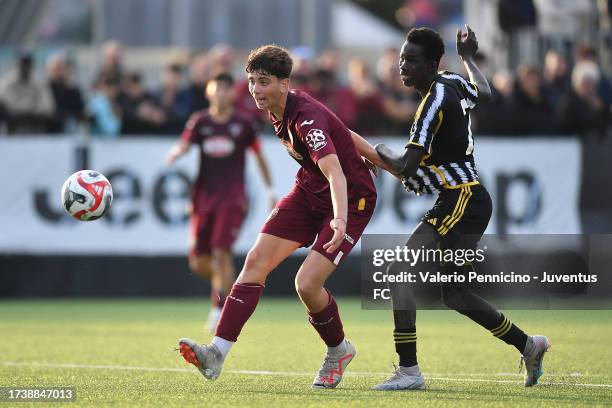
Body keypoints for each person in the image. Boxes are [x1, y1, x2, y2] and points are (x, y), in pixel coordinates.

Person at [357, 26, 550, 390]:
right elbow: (486, 92)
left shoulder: (433, 101)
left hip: (462, 199)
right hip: (468, 199)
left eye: (411, 60)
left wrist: (375, 149)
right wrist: (469, 58)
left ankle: (409, 372)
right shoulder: (451, 81)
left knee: (400, 271)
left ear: (432, 63)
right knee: (454, 293)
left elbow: (404, 167)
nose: (402, 66)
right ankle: (529, 345)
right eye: (401, 58)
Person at [177, 45, 379, 389]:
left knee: (307, 284)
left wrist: (341, 220)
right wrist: (377, 156)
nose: (256, 89)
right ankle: (216, 354)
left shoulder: (305, 117)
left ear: (285, 84)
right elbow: (342, 130)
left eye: (264, 82)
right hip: (308, 192)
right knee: (255, 261)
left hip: (350, 199)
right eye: (252, 81)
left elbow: (336, 175)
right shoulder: (278, 106)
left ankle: (338, 350)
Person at [166, 73, 275, 332]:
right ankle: (233, 292)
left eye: (227, 89)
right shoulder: (200, 121)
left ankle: (219, 309)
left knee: (221, 252)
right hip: (204, 197)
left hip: (233, 196)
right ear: (209, 92)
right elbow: (184, 144)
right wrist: (176, 152)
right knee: (198, 261)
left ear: (233, 94)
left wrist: (270, 188)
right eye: (218, 88)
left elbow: (259, 156)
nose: (222, 93)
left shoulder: (244, 124)